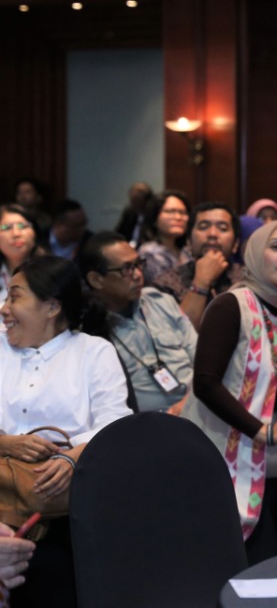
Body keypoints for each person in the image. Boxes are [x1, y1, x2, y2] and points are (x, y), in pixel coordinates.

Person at [0, 256, 131, 606]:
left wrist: (72, 457)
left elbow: (116, 421)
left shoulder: (93, 352)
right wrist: (7, 442)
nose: (4, 308)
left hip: (65, 503)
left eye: (15, 297)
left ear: (52, 306)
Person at [182, 218, 277, 561]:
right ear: (255, 255)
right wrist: (263, 431)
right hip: (222, 439)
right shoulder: (231, 306)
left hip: (269, 440)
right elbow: (205, 384)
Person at [81, 232, 198, 414]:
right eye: (126, 269)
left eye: (138, 264)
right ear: (96, 279)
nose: (137, 275)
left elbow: (200, 359)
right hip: (143, 426)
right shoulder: (87, 331)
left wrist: (188, 403)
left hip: (196, 406)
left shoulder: (161, 301)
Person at [150, 201, 243, 328]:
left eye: (222, 228)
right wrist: (201, 282)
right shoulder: (167, 283)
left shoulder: (248, 281)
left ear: (236, 244)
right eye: (203, 227)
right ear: (188, 241)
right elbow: (176, 336)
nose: (212, 234)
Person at [138, 190, 193, 289]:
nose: (178, 217)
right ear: (154, 218)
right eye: (170, 211)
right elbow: (167, 287)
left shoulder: (187, 250)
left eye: (183, 212)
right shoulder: (149, 252)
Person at [0, 204, 42, 307]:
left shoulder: (53, 272)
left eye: (22, 226)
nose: (16, 233)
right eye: (6, 227)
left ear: (35, 232)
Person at [112, 182, 154, 247]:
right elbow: (118, 233)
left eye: (136, 200)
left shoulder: (154, 215)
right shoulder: (129, 212)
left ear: (146, 201)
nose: (132, 204)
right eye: (132, 200)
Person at [13, 179, 51, 243]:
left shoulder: (47, 220)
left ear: (39, 197)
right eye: (19, 192)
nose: (22, 196)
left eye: (27, 192)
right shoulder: (10, 218)